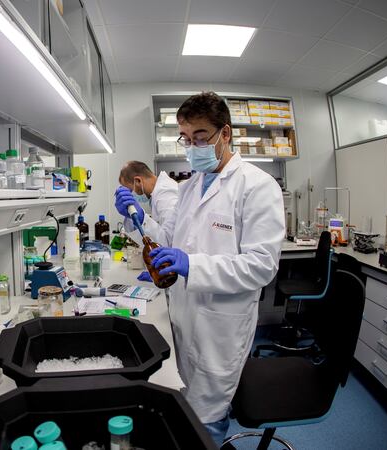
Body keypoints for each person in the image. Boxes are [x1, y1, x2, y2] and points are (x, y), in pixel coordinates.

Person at [114, 92, 285, 447]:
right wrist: (137, 218)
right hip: (183, 313)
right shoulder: (191, 185)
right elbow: (170, 240)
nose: (193, 147)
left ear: (225, 134)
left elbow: (261, 266)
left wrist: (192, 264)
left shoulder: (257, 186)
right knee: (179, 403)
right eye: (187, 139)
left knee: (206, 419)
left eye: (201, 137)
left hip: (218, 324)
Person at [118, 161, 179, 281]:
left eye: (130, 191)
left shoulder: (165, 193)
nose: (132, 195)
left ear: (138, 181)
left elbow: (169, 242)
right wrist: (132, 218)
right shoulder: (158, 193)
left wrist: (141, 218)